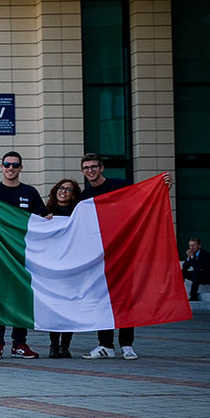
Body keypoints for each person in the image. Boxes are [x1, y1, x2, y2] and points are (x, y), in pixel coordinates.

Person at [80, 153, 172, 359]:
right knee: (102, 299)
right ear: (82, 171)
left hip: (124, 252)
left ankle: (127, 345)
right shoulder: (85, 196)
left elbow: (145, 199)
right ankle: (105, 345)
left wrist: (164, 186)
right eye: (86, 168)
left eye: (93, 167)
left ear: (101, 168)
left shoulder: (120, 185)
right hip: (100, 256)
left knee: (126, 299)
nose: (90, 171)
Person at [0, 151, 44, 359]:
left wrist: (50, 221)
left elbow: (41, 218)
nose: (11, 168)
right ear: (1, 167)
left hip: (22, 256)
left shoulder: (30, 193)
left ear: (21, 168)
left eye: (15, 165)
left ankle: (19, 344)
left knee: (20, 300)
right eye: (7, 164)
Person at [44, 178, 82, 358]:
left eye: (68, 189)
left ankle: (65, 346)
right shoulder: (46, 212)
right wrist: (44, 222)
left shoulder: (79, 213)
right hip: (53, 267)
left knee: (69, 308)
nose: (63, 191)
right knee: (55, 308)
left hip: (72, 267)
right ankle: (53, 345)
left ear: (73, 195)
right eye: (61, 188)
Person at [181, 236, 210, 303]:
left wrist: (192, 257)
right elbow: (185, 267)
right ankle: (179, 292)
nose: (191, 247)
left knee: (196, 273)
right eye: (190, 246)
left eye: (194, 245)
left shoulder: (205, 254)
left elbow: (198, 267)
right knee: (181, 272)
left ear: (199, 246)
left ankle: (193, 295)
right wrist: (188, 258)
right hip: (200, 276)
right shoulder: (192, 255)